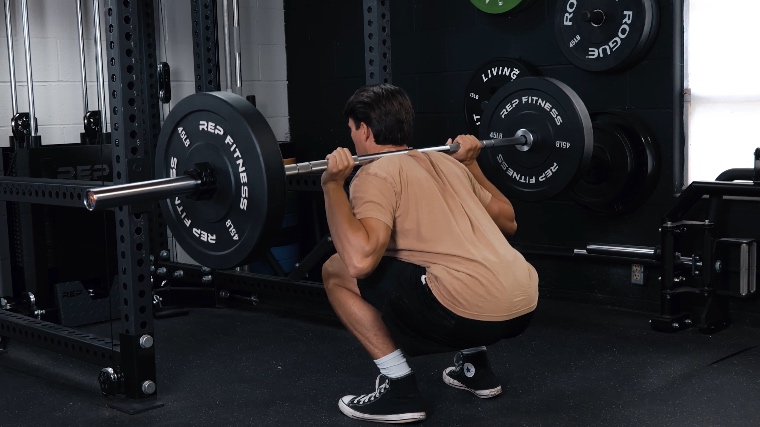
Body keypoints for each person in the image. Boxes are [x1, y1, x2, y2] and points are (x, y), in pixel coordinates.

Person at [320, 83, 538, 424]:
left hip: (463, 312)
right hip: (523, 305)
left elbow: (359, 262)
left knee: (335, 270)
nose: (352, 137)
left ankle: (400, 389)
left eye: (351, 130)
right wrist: (471, 164)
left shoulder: (374, 173)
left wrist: (332, 186)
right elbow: (508, 221)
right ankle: (475, 368)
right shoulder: (449, 165)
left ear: (363, 128)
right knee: (445, 257)